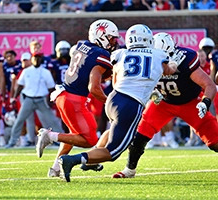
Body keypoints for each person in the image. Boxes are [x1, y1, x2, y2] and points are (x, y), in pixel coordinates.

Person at [57, 25, 184, 182]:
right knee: (113, 153)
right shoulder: (158, 55)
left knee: (112, 132)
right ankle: (72, 160)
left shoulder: (120, 53)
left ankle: (91, 160)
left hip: (114, 99)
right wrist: (174, 61)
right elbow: (169, 70)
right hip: (130, 104)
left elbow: (116, 80)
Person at [111, 32, 218, 179]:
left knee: (217, 143)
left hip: (190, 102)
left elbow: (209, 85)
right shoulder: (150, 59)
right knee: (139, 137)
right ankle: (129, 170)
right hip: (163, 102)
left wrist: (205, 102)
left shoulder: (185, 58)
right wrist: (152, 91)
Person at [35, 19, 120, 178]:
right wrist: (111, 102)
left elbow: (86, 72)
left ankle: (55, 169)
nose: (114, 42)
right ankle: (50, 136)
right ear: (101, 35)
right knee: (89, 140)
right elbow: (93, 88)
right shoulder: (101, 54)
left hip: (63, 95)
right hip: (74, 99)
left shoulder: (83, 45)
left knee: (74, 135)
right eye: (111, 38)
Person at [5, 52, 63, 148]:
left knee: (52, 120)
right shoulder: (26, 71)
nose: (36, 60)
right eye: (35, 58)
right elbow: (20, 85)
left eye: (39, 58)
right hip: (28, 99)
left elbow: (51, 88)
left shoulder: (46, 72)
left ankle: (61, 140)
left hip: (41, 100)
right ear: (32, 59)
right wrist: (15, 97)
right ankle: (12, 141)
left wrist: (50, 101)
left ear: (42, 60)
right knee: (20, 120)